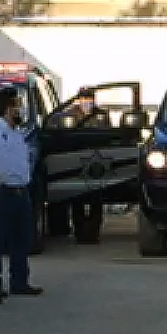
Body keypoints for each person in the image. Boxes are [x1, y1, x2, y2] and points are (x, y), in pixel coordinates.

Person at [0, 87, 41, 298]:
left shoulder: (17, 133)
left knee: (21, 240)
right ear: (7, 107)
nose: (21, 110)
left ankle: (19, 280)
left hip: (21, 191)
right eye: (17, 105)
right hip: (2, 190)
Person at [68, 87, 112, 244]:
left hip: (97, 162)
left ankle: (93, 233)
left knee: (96, 198)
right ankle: (79, 233)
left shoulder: (101, 115)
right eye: (84, 98)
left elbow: (110, 136)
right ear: (78, 99)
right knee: (77, 198)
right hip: (75, 160)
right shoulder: (70, 115)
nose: (87, 101)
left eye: (90, 98)